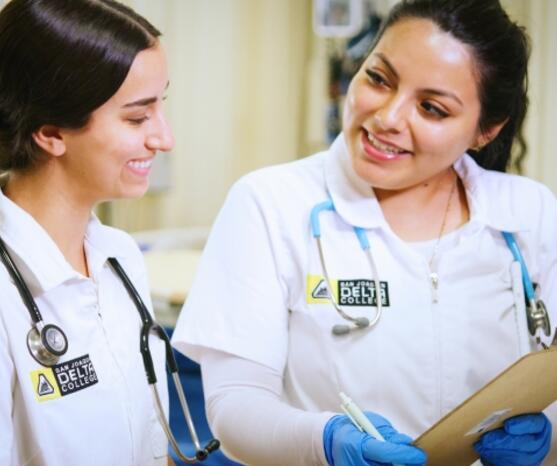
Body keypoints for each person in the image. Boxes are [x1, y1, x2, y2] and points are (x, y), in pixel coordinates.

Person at [171, 0, 557, 465]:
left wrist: (549, 435)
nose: (389, 117)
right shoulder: (272, 203)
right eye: (379, 78)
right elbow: (233, 407)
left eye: (431, 108)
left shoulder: (527, 212)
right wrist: (325, 440)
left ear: (486, 130)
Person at [0, 0, 177, 464]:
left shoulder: (119, 256)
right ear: (51, 133)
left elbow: (151, 442)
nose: (164, 138)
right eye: (137, 117)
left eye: (161, 106)